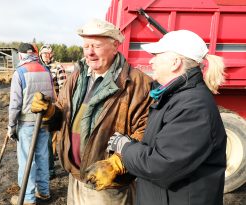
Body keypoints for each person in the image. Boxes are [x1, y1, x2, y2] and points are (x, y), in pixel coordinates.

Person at [95, 30, 227, 205]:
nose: (151, 60)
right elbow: (161, 148)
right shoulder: (175, 96)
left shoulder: (193, 106)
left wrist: (125, 149)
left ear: (175, 63)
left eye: (156, 55)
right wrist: (132, 147)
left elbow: (161, 165)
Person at [31, 18, 154, 205]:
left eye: (96, 46)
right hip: (76, 178)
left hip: (108, 187)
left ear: (115, 46)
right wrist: (50, 113)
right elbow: (63, 114)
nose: (89, 52)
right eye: (86, 45)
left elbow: (146, 132)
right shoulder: (77, 77)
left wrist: (117, 164)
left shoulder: (136, 83)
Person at [7, 43, 55, 205]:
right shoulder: (46, 70)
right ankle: (44, 191)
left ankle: (27, 197)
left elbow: (15, 104)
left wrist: (11, 126)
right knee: (43, 157)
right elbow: (52, 97)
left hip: (27, 124)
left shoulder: (19, 72)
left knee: (27, 160)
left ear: (21, 55)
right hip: (44, 122)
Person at [39, 44, 67, 179]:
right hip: (40, 106)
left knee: (50, 137)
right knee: (48, 138)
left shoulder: (58, 68)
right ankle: (51, 160)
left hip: (53, 106)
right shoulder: (38, 67)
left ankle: (50, 169)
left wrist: (60, 106)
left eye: (48, 53)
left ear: (52, 54)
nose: (45, 55)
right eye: (43, 52)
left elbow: (63, 88)